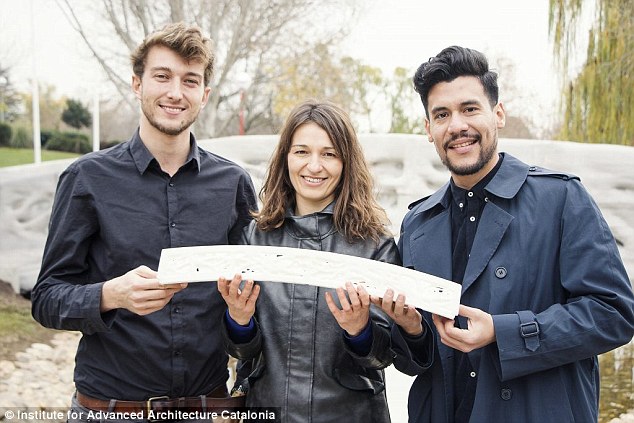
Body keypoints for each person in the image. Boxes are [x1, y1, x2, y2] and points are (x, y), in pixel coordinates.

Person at [377, 46, 634, 423]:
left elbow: (614, 314)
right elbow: (416, 360)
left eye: (469, 109)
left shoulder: (561, 198)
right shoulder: (418, 223)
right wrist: (412, 330)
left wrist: (503, 332)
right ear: (429, 129)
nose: (456, 126)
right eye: (442, 114)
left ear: (497, 114)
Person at [31, 22, 257, 422]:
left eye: (190, 80)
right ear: (138, 84)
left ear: (204, 95)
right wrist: (110, 295)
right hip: (109, 410)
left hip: (205, 407)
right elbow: (47, 298)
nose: (175, 92)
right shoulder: (87, 178)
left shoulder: (234, 184)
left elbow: (252, 299)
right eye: (162, 76)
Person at [216, 99, 402, 422]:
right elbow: (241, 353)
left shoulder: (375, 244)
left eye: (329, 154)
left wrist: (360, 330)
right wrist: (239, 320)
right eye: (302, 151)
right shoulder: (254, 239)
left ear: (346, 162)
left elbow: (384, 356)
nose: (314, 166)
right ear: (285, 157)